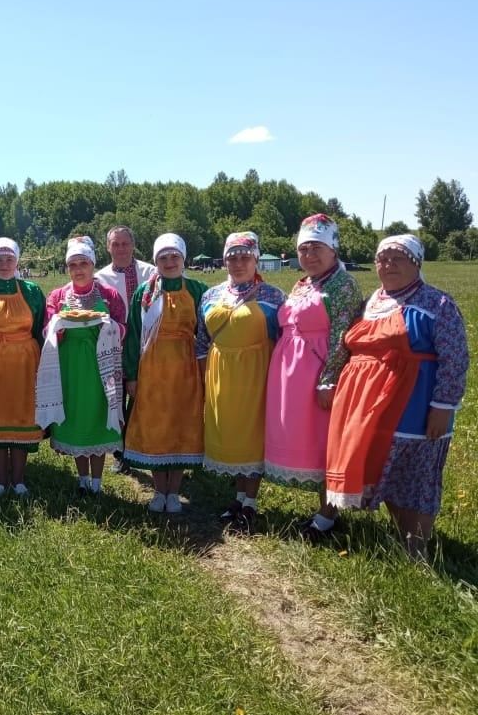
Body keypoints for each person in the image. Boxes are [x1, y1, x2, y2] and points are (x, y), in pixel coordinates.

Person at [326, 235, 468, 560]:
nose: (388, 265)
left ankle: (416, 549)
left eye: (398, 258)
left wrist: (443, 407)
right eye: (383, 259)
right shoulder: (370, 303)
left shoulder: (437, 304)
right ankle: (400, 536)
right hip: (371, 408)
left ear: (416, 263)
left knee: (417, 480)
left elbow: (455, 358)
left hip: (416, 408)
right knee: (387, 476)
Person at [263, 215, 364, 536]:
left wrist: (329, 378)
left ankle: (328, 513)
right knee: (307, 438)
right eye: (304, 249)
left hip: (318, 372)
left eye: (317, 248)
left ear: (333, 250)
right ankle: (323, 508)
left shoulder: (343, 285)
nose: (309, 256)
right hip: (290, 374)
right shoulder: (303, 283)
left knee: (325, 440)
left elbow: (342, 335)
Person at [195, 232, 285, 532]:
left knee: (252, 436)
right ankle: (238, 497)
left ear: (256, 258)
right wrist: (205, 379)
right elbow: (202, 342)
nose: (237, 263)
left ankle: (251, 502)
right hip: (222, 374)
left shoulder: (273, 296)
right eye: (231, 257)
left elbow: (282, 340)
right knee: (232, 434)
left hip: (256, 374)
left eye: (244, 256)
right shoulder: (210, 296)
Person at [123, 234, 207, 513]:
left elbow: (206, 334)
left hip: (186, 367)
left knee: (181, 423)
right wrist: (132, 376)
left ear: (183, 259)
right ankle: (159, 489)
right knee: (157, 424)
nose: (169, 262)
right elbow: (134, 336)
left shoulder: (198, 290)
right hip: (153, 368)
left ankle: (175, 490)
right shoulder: (144, 293)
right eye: (163, 258)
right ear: (156, 261)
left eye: (174, 257)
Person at [36, 237, 126, 496]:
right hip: (69, 368)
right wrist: (59, 327)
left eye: (83, 263)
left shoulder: (109, 296)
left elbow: (123, 327)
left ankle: (96, 482)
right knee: (75, 418)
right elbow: (47, 330)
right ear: (67, 268)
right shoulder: (58, 296)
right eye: (73, 264)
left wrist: (107, 325)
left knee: (97, 419)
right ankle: (82, 478)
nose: (78, 269)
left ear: (93, 265)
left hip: (101, 367)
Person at [0, 237, 46, 497]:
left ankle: (20, 478)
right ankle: (0, 480)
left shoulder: (32, 292)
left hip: (25, 363)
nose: (4, 264)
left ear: (17, 261)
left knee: (22, 416)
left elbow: (39, 330)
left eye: (9, 259)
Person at [95, 225, 158, 472]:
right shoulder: (100, 278)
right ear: (108, 247)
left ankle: (148, 446)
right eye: (115, 244)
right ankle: (121, 452)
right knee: (117, 399)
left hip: (149, 345)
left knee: (148, 397)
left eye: (125, 243)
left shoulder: (151, 272)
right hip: (116, 347)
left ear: (133, 245)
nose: (120, 248)